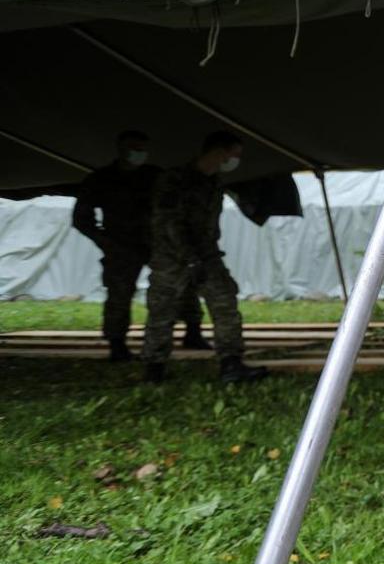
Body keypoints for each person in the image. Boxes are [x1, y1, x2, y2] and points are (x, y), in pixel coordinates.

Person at [143, 131, 268, 384]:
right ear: (218, 152)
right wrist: (189, 258)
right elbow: (168, 223)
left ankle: (231, 364)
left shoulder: (214, 183)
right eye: (234, 154)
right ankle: (154, 369)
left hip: (206, 255)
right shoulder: (175, 179)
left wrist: (202, 256)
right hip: (172, 258)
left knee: (225, 303)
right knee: (162, 311)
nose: (235, 160)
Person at [72, 129, 207, 361]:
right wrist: (104, 241)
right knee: (119, 294)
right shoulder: (101, 179)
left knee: (182, 284)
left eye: (142, 149)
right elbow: (81, 218)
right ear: (120, 149)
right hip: (121, 245)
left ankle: (192, 331)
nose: (138, 154)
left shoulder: (154, 175)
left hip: (158, 242)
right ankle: (117, 344)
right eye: (134, 149)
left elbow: (177, 203)